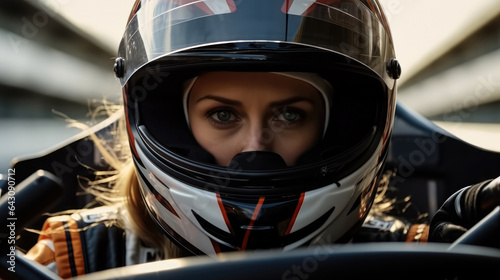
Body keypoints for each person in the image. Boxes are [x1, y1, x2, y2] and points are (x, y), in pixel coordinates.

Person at [21, 0, 500, 278]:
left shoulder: (417, 259)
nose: (256, 146)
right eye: (223, 113)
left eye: (291, 113)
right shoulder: (72, 257)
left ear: (337, 127)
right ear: (172, 121)